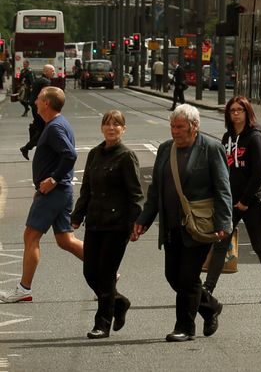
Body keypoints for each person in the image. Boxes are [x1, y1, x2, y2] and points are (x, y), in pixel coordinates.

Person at [132, 103, 233, 341]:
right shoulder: (166, 149)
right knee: (173, 276)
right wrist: (144, 220)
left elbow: (223, 189)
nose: (174, 132)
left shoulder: (211, 148)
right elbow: (156, 190)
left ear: (194, 126)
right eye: (172, 126)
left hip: (199, 225)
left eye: (180, 127)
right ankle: (210, 307)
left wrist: (224, 223)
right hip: (171, 225)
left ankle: (184, 328)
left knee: (188, 278)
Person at [0, 86, 85, 303]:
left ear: (46, 103)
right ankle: (108, 273)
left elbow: (70, 155)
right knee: (66, 240)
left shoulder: (56, 127)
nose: (35, 102)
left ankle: (23, 289)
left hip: (54, 191)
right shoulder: (57, 123)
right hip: (59, 191)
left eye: (38, 99)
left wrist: (52, 179)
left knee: (30, 235)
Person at [203, 96, 261, 304]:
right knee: (221, 243)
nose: (236, 114)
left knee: (259, 245)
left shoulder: (255, 138)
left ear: (247, 113)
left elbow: (260, 173)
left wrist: (245, 200)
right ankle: (207, 289)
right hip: (230, 201)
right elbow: (221, 169)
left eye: (240, 110)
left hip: (251, 202)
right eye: (232, 110)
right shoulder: (226, 138)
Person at [71, 110, 143, 338]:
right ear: (102, 128)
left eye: (117, 125)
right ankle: (119, 303)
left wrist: (135, 223)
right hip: (95, 221)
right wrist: (77, 214)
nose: (112, 128)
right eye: (108, 124)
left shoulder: (126, 156)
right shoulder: (94, 154)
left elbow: (136, 194)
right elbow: (86, 190)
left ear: (123, 129)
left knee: (106, 274)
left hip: (117, 224)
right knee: (90, 272)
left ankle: (102, 323)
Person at [20, 64, 57, 160]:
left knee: (39, 127)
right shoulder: (46, 82)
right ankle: (27, 147)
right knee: (42, 129)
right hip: (39, 107)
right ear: (45, 72)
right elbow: (45, 96)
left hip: (34, 106)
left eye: (53, 70)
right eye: (52, 70)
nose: (54, 72)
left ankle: (36, 147)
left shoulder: (39, 80)